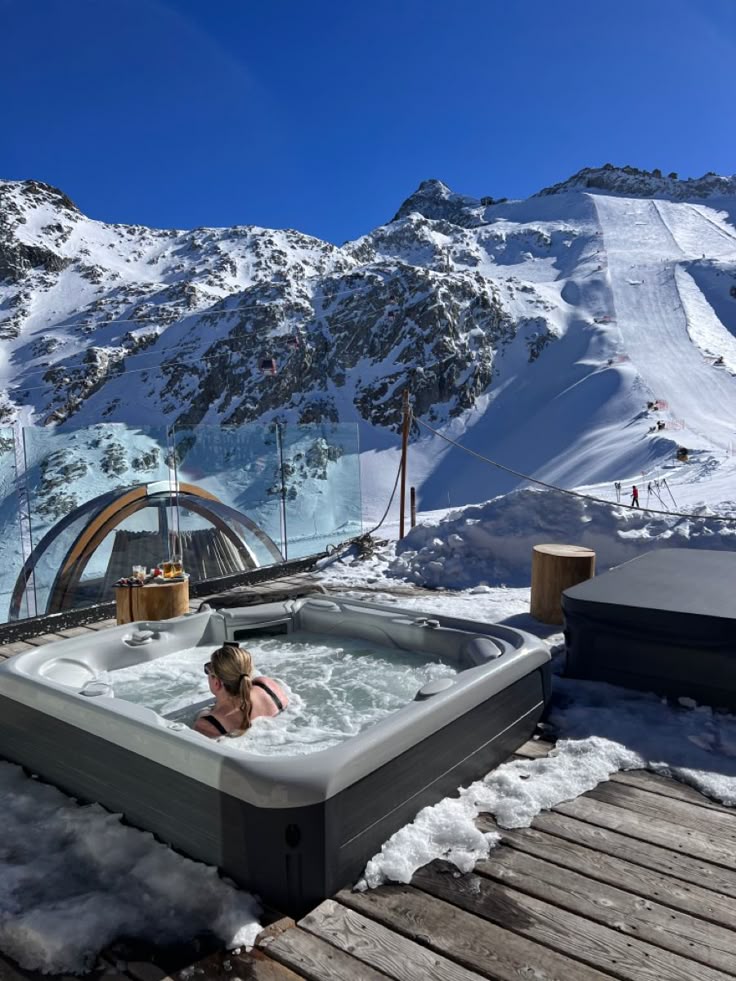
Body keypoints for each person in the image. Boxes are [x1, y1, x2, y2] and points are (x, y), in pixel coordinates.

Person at [194, 643, 288, 739]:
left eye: (208, 670)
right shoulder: (268, 686)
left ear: (217, 683)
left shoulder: (208, 725)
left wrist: (203, 713)